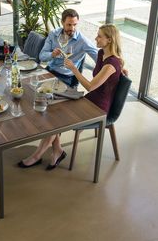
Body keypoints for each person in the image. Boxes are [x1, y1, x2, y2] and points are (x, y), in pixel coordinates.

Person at [18, 24, 124, 170]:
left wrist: (74, 69)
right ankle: (57, 151)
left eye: (99, 36)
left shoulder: (111, 64)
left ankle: (37, 156)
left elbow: (90, 86)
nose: (96, 38)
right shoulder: (101, 54)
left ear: (110, 40)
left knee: (56, 119)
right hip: (89, 100)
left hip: (99, 108)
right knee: (54, 112)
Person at [39, 8, 98, 88]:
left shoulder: (83, 41)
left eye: (75, 24)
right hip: (49, 70)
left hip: (65, 77)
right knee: (31, 85)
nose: (72, 28)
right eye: (69, 25)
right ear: (62, 22)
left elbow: (99, 58)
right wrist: (52, 54)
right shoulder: (53, 34)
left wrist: (116, 65)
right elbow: (42, 56)